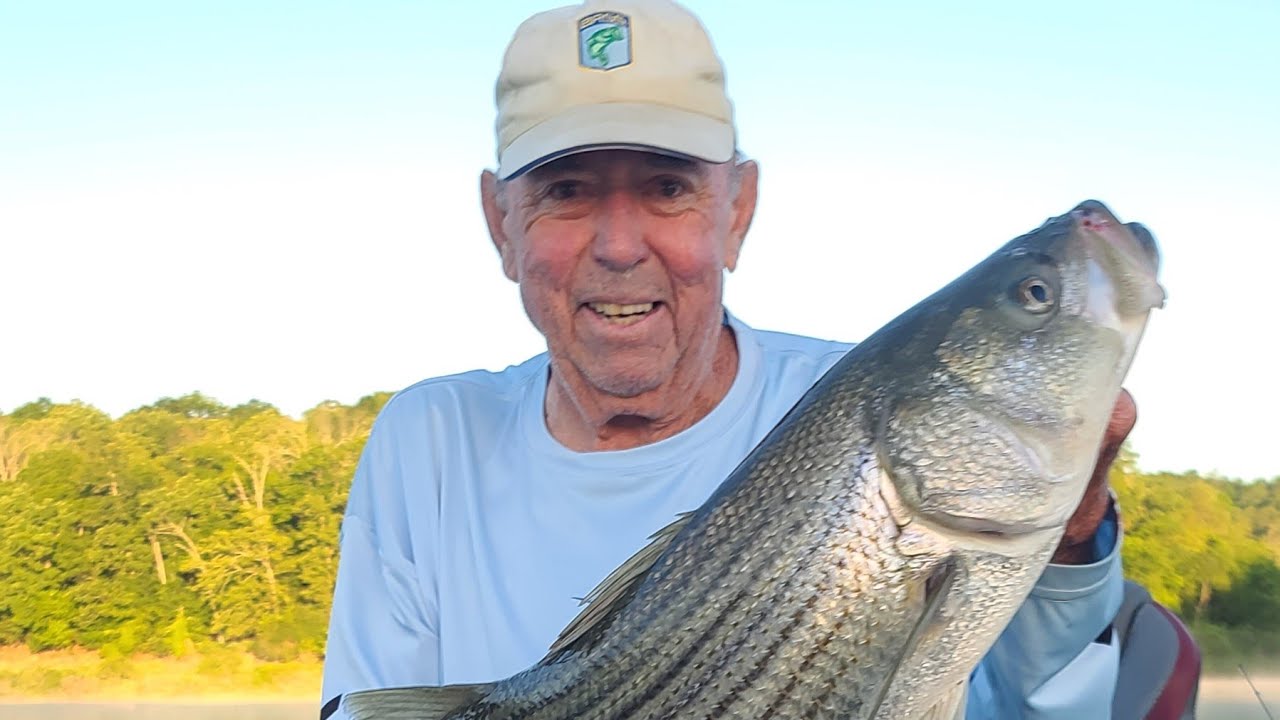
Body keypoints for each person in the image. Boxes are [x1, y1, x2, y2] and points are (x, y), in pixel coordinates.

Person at [319, 0, 1151, 717]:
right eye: (566, 190)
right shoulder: (426, 439)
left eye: (667, 187)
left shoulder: (831, 396)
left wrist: (1072, 543)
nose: (617, 245)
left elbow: (1044, 708)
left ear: (738, 211)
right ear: (502, 226)